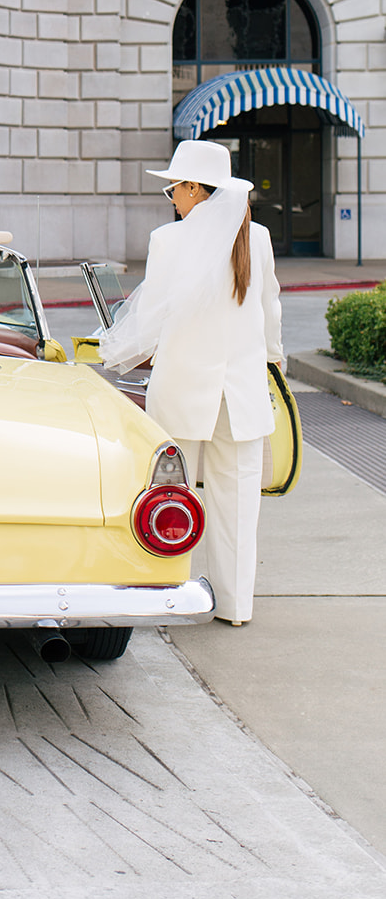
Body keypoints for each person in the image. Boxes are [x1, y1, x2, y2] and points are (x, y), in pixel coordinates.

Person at [96, 139, 283, 627]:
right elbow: (270, 315)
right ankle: (235, 607)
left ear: (196, 190)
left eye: (174, 188)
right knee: (238, 504)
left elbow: (152, 316)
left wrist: (112, 349)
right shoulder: (256, 238)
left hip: (182, 389)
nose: (173, 199)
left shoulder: (170, 240)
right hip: (240, 395)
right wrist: (275, 364)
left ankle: (168, 598)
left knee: (169, 501)